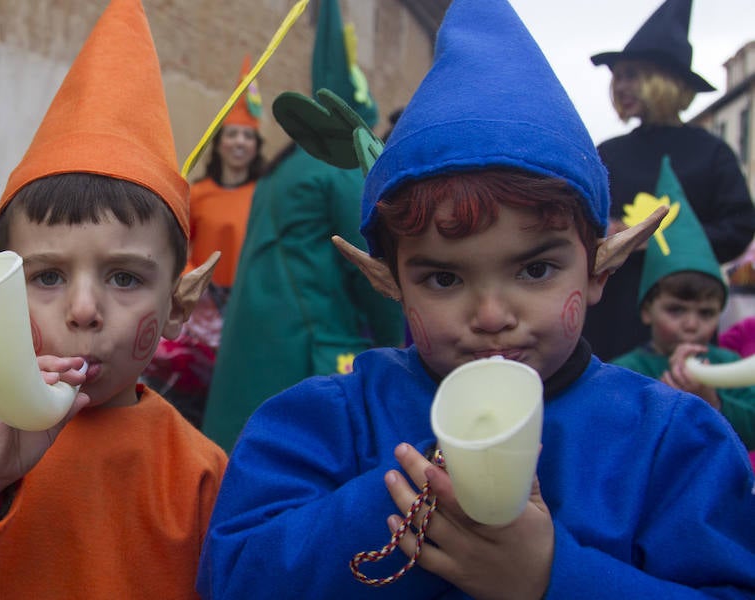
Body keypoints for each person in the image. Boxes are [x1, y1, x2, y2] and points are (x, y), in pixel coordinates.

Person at [196, 0, 755, 597]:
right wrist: (410, 485)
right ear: (390, 282)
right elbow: (234, 576)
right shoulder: (325, 422)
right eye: (443, 279)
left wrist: (550, 577)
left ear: (598, 269)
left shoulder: (672, 443)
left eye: (536, 269)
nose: (491, 316)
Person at [0, 0, 227, 596]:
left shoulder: (203, 476)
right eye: (46, 277)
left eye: (125, 277)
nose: (83, 310)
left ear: (179, 304)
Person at [201, 0, 403, 453]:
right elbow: (374, 268)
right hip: (303, 359)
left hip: (250, 363)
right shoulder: (340, 169)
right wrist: (399, 341)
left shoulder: (282, 168)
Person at [583, 0, 755, 361]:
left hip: (685, 315)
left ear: (664, 81)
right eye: (620, 76)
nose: (621, 85)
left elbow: (740, 225)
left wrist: (661, 240)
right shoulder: (609, 152)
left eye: (632, 74)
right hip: (612, 316)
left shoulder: (711, 152)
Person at [143, 55, 266, 429]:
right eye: (233, 134)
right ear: (220, 142)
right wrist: (192, 282)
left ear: (256, 145)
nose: (239, 142)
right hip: (202, 303)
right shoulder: (198, 193)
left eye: (247, 136)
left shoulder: (265, 194)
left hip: (248, 300)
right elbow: (177, 245)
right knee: (194, 387)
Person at [612, 156, 755, 450]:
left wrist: (712, 399)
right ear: (647, 309)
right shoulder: (624, 372)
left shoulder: (729, 365)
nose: (691, 324)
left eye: (706, 313)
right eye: (676, 309)